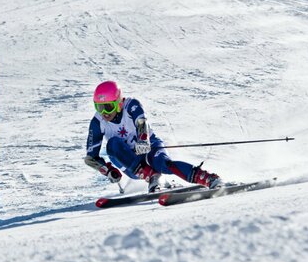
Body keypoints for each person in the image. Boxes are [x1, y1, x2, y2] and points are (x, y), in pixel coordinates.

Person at [84, 80, 222, 192]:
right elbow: (91, 158)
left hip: (149, 147)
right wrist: (108, 170)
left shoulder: (131, 106)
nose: (104, 113)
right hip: (130, 163)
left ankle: (208, 178)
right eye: (99, 107)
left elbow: (141, 122)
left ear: (119, 103)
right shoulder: (97, 122)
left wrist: (143, 140)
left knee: (163, 164)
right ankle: (151, 176)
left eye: (108, 107)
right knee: (112, 144)